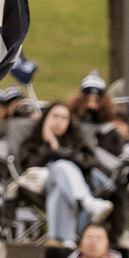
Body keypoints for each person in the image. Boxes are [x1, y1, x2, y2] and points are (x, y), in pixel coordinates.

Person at [19, 101, 112, 243]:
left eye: (64, 118)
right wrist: (49, 146)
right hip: (41, 189)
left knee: (59, 192)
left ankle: (65, 242)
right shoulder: (32, 142)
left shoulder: (76, 142)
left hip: (71, 189)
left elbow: (89, 163)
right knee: (61, 166)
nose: (59, 122)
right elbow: (28, 166)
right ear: (45, 119)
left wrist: (59, 149)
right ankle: (88, 203)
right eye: (55, 116)